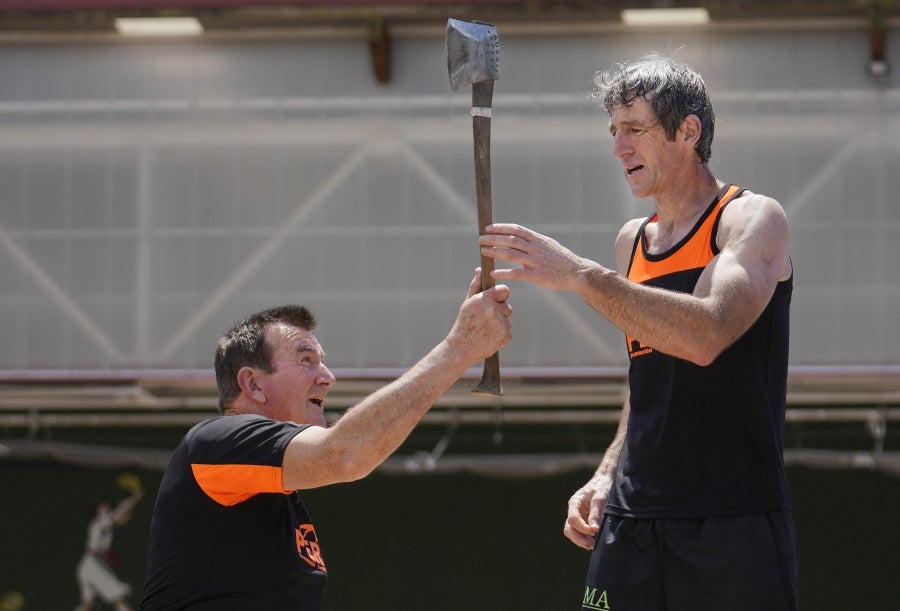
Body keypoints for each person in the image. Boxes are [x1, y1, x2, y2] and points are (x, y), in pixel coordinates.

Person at [480, 54, 798, 610]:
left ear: (689, 131)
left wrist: (580, 276)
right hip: (632, 519)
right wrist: (607, 473)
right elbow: (647, 375)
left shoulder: (749, 219)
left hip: (731, 521)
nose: (618, 148)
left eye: (635, 130)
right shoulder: (632, 240)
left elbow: (705, 336)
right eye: (613, 132)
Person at [140, 270, 511, 610]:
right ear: (251, 383)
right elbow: (345, 454)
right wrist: (459, 347)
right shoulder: (214, 443)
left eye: (322, 361)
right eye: (306, 360)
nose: (328, 376)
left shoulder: (269, 488)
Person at [75, 480, 143, 611]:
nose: (106, 508)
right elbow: (119, 515)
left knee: (89, 604)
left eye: (107, 506)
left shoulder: (107, 523)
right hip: (93, 563)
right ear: (97, 511)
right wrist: (135, 498)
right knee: (118, 597)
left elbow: (123, 517)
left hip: (90, 564)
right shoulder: (99, 522)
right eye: (103, 507)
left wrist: (134, 501)